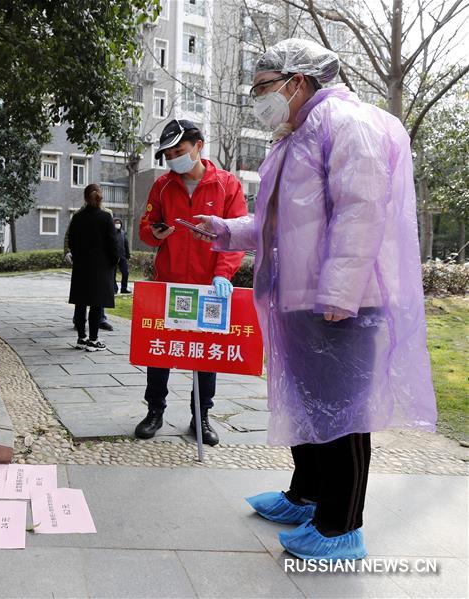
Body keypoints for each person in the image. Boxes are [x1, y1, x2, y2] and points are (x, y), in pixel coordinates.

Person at [192, 38, 437, 561]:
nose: (258, 98)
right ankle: (306, 496)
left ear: (296, 81)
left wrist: (340, 291)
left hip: (342, 302)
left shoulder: (349, 125)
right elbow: (278, 222)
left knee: (342, 414)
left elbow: (361, 211)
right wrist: (224, 230)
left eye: (263, 87)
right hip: (302, 298)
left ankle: (340, 527)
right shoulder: (293, 137)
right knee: (308, 406)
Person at [136, 119, 248, 445]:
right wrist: (153, 233)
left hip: (208, 287)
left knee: (204, 355)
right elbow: (146, 227)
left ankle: (201, 417)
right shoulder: (163, 186)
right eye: (168, 153)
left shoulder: (227, 185)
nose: (173, 158)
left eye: (179, 151)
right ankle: (155, 411)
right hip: (169, 282)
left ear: (198, 146)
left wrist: (222, 275)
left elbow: (236, 237)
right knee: (159, 352)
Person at [67, 184, 119, 351]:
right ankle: (93, 340)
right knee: (97, 303)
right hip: (101, 267)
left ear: (85, 197)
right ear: (100, 197)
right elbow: (113, 244)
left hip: (81, 266)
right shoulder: (106, 217)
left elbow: (71, 241)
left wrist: (77, 256)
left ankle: (81, 338)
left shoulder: (77, 217)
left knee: (81, 302)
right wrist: (114, 261)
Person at [65, 209, 115, 331]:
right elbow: (70, 235)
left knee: (94, 293)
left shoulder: (107, 213)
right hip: (86, 259)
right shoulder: (79, 214)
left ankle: (98, 321)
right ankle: (82, 323)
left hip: (99, 260)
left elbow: (111, 238)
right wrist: (68, 251)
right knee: (87, 293)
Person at [113, 218, 131, 294]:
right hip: (113, 257)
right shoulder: (110, 233)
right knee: (112, 274)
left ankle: (124, 288)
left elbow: (126, 244)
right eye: (116, 223)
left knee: (125, 273)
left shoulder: (123, 233)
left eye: (119, 223)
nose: (118, 224)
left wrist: (128, 255)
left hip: (122, 257)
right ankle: (114, 288)